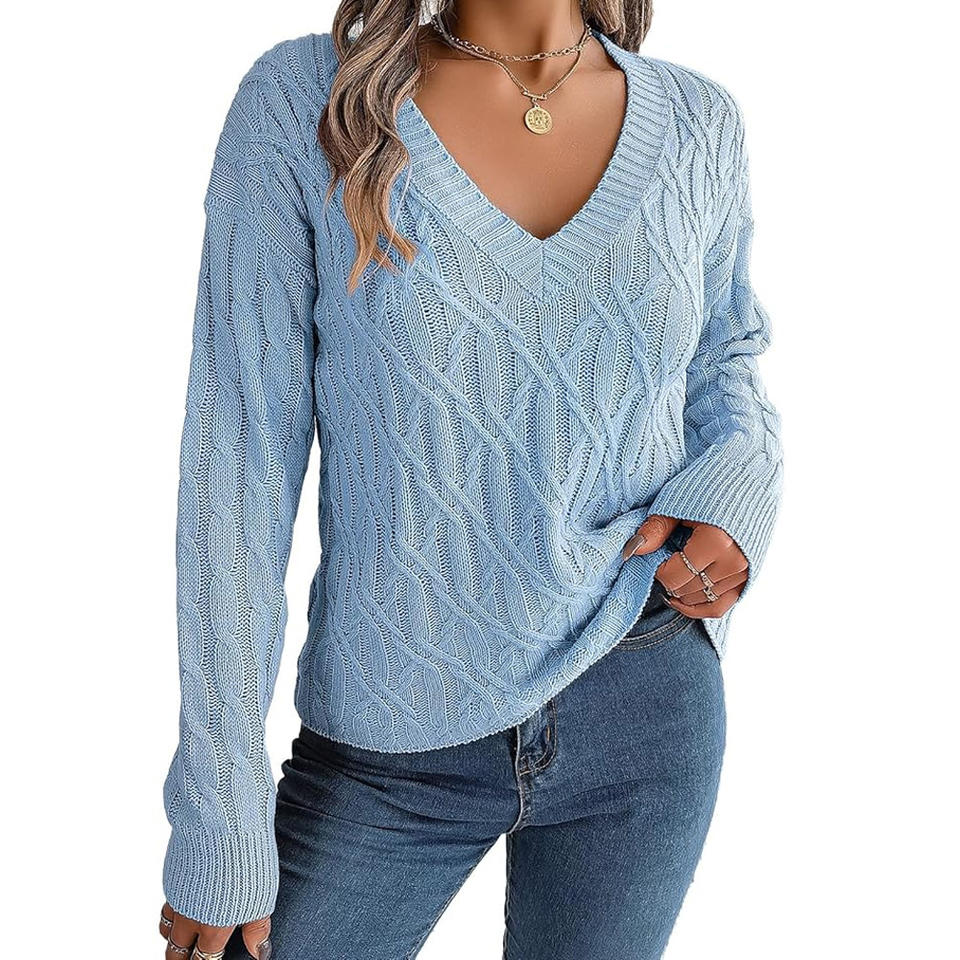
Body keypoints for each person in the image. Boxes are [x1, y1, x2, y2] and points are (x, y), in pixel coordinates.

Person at [158, 1, 782, 957]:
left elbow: (725, 360)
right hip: (387, 742)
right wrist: (221, 812)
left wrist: (734, 497)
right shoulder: (306, 102)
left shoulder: (699, 122)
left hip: (644, 697)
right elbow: (236, 462)